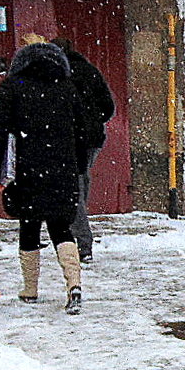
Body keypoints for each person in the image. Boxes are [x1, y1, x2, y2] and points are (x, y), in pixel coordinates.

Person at [0, 38, 86, 315]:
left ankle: (30, 289)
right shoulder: (66, 88)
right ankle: (73, 285)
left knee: (29, 225)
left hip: (26, 169)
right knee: (61, 227)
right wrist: (78, 163)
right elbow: (85, 130)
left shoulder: (13, 88)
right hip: (61, 168)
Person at [51, 37, 114, 263]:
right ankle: (77, 222)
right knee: (80, 180)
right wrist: (92, 121)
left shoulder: (57, 76)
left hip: (69, 139)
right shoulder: (89, 70)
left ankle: (82, 242)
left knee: (72, 189)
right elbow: (108, 107)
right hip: (92, 138)